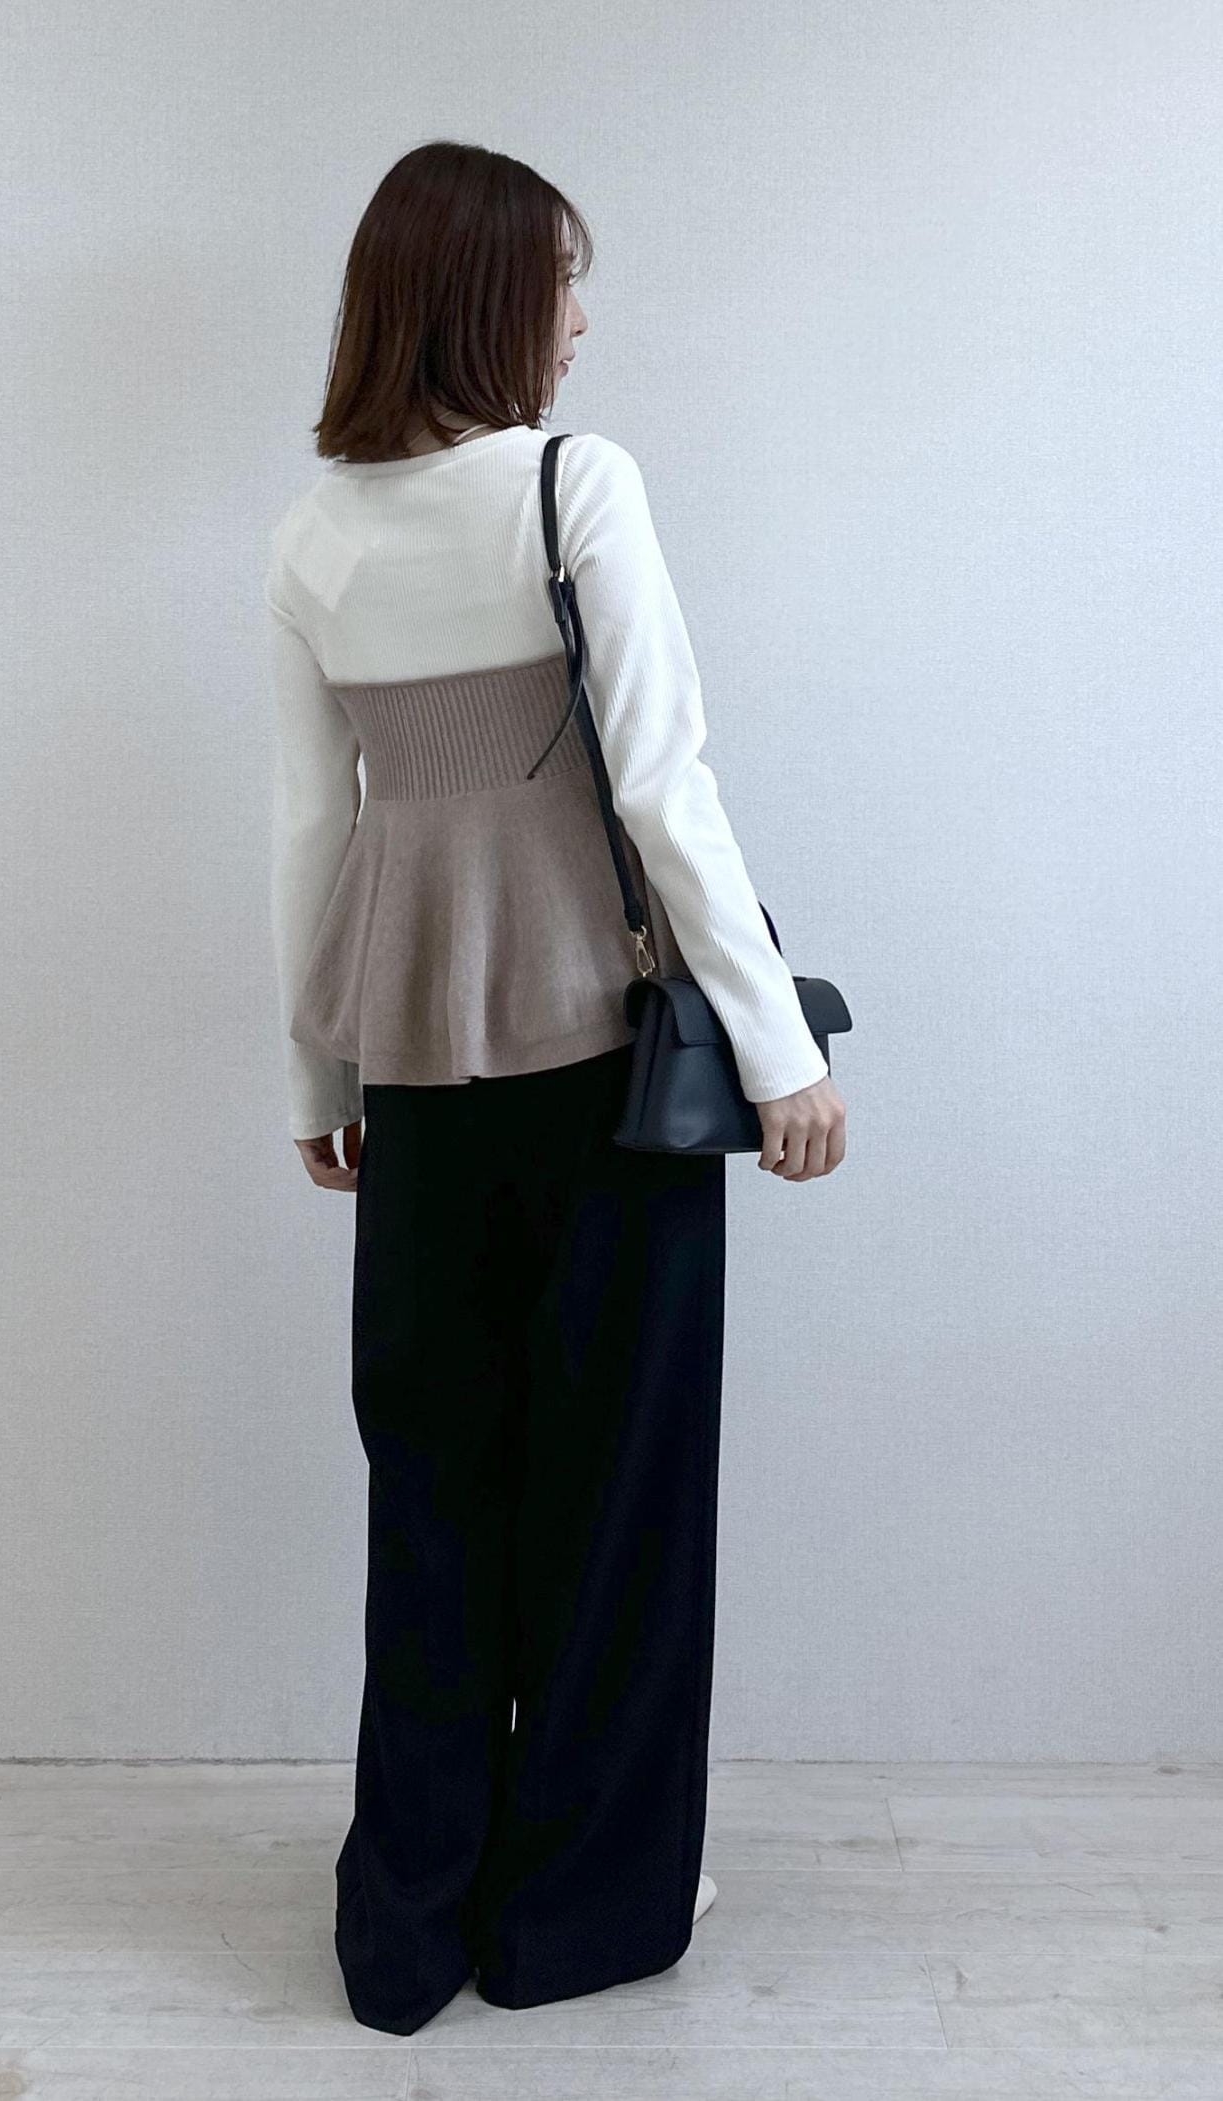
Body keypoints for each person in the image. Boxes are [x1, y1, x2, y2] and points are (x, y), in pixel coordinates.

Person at [265, 140, 847, 2036]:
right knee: (616, 1501)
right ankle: (574, 1914)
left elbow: (309, 828)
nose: (583, 319)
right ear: (493, 297)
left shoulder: (312, 535)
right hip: (604, 1066)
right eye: (564, 280)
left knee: (434, 1492)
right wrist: (781, 1051)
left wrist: (317, 1065)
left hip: (416, 1070)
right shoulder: (572, 484)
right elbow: (665, 783)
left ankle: (406, 1926)